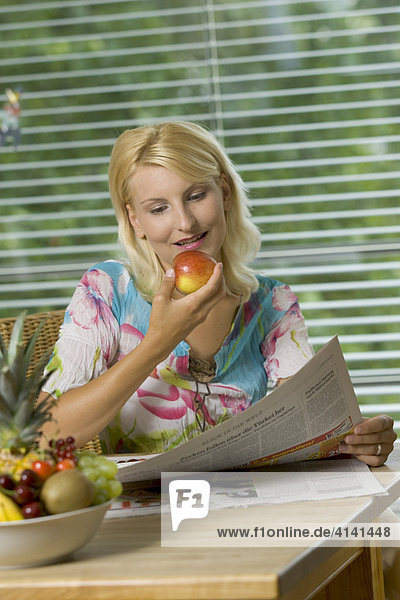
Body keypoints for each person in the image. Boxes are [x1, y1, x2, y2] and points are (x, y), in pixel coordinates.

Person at [39, 121, 396, 465]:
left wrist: (360, 440)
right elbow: (44, 436)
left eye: (195, 196)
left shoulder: (272, 303)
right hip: (148, 514)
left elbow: (316, 425)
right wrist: (160, 341)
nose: (185, 222)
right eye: (158, 208)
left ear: (224, 192)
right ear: (135, 220)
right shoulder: (106, 290)